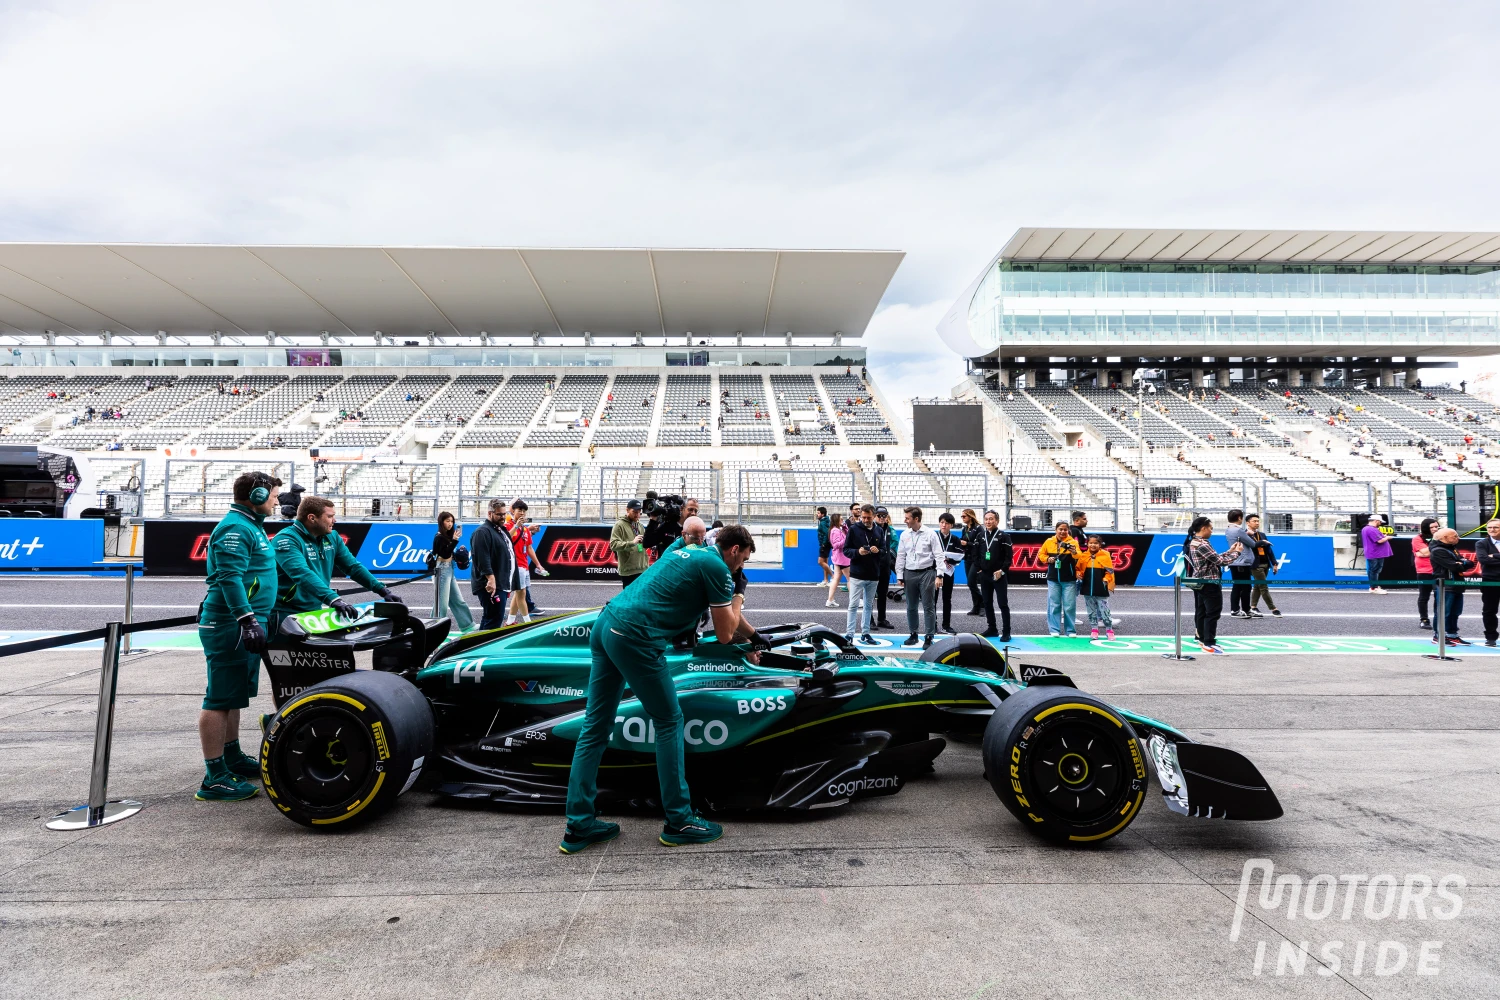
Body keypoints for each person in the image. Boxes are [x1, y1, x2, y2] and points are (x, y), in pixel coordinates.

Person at [560, 525, 764, 854]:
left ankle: (578, 823)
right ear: (735, 549)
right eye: (743, 561)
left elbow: (732, 620)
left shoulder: (685, 552)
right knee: (669, 721)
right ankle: (679, 820)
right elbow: (725, 633)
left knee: (595, 728)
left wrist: (755, 636)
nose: (741, 568)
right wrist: (738, 592)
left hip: (606, 625)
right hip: (635, 638)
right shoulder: (717, 567)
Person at [195, 471, 281, 802]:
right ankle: (214, 776)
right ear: (257, 496)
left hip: (243, 622)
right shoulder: (236, 527)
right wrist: (247, 620)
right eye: (273, 495)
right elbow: (230, 579)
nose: (276, 501)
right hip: (231, 624)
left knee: (233, 694)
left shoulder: (250, 526)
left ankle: (231, 757)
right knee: (219, 697)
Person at [271, 495, 403, 635]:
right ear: (312, 518)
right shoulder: (286, 539)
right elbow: (302, 574)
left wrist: (383, 590)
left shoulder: (332, 536)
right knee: (280, 657)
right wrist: (333, 599)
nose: (334, 520)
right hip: (284, 613)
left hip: (313, 612)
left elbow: (352, 567)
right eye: (329, 516)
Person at [1183, 516, 1243, 655]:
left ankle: (1202, 638)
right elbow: (1220, 561)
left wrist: (1230, 551)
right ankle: (1209, 642)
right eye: (1210, 528)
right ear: (1203, 528)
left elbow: (1212, 559)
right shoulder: (1203, 544)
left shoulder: (1196, 542)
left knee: (1202, 610)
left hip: (1201, 582)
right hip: (1210, 582)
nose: (1211, 531)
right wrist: (1237, 553)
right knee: (1213, 612)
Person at [895, 506, 943, 648]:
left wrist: (939, 575)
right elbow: (901, 555)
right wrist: (899, 575)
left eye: (907, 518)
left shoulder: (930, 534)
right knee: (911, 606)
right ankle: (913, 634)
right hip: (909, 573)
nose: (905, 521)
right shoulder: (904, 534)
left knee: (928, 606)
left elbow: (939, 555)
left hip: (927, 573)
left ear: (916, 519)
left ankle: (929, 636)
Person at [470, 499, 516, 630]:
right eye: (499, 514)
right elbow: (481, 558)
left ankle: (477, 647)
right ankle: (482, 649)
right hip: (491, 584)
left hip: (500, 582)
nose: (503, 517)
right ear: (490, 514)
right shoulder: (482, 532)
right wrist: (491, 579)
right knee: (494, 620)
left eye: (504, 514)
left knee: (490, 618)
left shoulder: (499, 530)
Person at [842, 504, 882, 643]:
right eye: (863, 517)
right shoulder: (853, 529)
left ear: (874, 516)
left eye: (868, 517)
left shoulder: (879, 530)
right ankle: (850, 634)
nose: (865, 520)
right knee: (853, 604)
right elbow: (846, 550)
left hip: (873, 574)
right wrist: (857, 552)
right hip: (857, 574)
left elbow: (884, 550)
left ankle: (865, 633)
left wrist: (878, 551)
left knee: (868, 605)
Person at [1428, 527, 1473, 644]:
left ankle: (1452, 634)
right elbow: (1454, 566)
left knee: (1455, 612)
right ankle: (1438, 636)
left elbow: (1469, 563)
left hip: (1457, 584)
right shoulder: (1438, 550)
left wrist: (1462, 562)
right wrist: (1461, 563)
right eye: (1455, 536)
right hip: (1445, 585)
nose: (1458, 538)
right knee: (1443, 612)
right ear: (1444, 538)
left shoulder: (1452, 548)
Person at [972, 510, 1012, 640]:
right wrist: (979, 569)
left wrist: (1002, 570)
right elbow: (975, 554)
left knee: (1002, 603)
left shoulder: (1004, 536)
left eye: (991, 519)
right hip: (985, 575)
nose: (988, 522)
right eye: (986, 519)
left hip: (999, 575)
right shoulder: (980, 536)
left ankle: (1006, 631)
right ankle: (992, 629)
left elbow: (1008, 557)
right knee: (987, 602)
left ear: (997, 521)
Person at [431, 511, 474, 632]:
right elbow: (444, 554)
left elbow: (449, 553)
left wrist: (458, 551)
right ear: (441, 522)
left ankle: (467, 625)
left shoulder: (447, 536)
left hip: (449, 568)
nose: (450, 524)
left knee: (457, 600)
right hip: (441, 570)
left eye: (452, 521)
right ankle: (434, 628)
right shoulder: (438, 537)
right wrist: (455, 541)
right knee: (441, 604)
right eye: (447, 521)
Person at [1038, 521, 1082, 637]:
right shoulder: (1049, 541)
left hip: (1069, 579)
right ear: (1056, 530)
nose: (1062, 532)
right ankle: (1054, 629)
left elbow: (1079, 556)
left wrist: (1073, 551)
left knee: (1069, 605)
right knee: (1054, 604)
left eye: (1065, 530)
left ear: (1068, 531)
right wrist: (1048, 559)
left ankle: (1070, 630)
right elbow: (1041, 555)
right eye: (1060, 529)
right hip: (1053, 579)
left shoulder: (1072, 542)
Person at [1076, 535, 1115, 640]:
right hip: (1087, 588)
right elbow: (1078, 568)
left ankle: (1109, 630)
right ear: (1087, 544)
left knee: (1105, 610)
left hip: (1101, 588)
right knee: (1091, 611)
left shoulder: (1105, 555)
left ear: (1100, 544)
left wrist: (1106, 579)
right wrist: (1078, 573)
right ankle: (1094, 629)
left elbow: (1109, 571)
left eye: (1095, 543)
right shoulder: (1084, 556)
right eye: (1090, 543)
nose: (1093, 545)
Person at [935, 512, 966, 634]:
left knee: (947, 599)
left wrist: (949, 559)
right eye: (942, 522)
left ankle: (946, 625)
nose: (944, 525)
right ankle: (933, 624)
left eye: (947, 523)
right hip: (935, 572)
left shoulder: (955, 539)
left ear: (951, 525)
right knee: (933, 599)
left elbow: (960, 555)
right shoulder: (934, 537)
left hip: (948, 571)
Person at [1245, 513, 1280, 618]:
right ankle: (1273, 609)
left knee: (1257, 586)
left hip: (1265, 564)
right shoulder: (1245, 534)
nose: (1257, 523)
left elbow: (1269, 550)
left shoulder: (1262, 534)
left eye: (1258, 521)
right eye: (1254, 521)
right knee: (1263, 587)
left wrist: (1274, 563)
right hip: (1255, 565)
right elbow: (1252, 545)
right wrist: (1262, 542)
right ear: (1248, 523)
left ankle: (1253, 606)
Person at [1224, 509, 1256, 618]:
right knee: (1245, 587)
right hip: (1242, 562)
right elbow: (1252, 544)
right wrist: (1251, 534)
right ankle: (1242, 609)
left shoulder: (1229, 529)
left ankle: (1238, 609)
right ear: (1239, 518)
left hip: (1235, 561)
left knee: (1237, 586)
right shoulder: (1238, 530)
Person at [610, 499, 649, 589]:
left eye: (639, 512)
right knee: (629, 599)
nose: (637, 515)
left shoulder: (640, 525)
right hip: (628, 570)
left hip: (642, 568)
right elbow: (613, 545)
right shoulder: (619, 525)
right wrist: (632, 542)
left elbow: (641, 546)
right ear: (627, 510)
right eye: (634, 512)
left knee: (640, 597)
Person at [873, 507, 898, 629]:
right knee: (870, 595)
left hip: (885, 566)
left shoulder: (889, 529)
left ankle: (881, 619)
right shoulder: (870, 528)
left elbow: (892, 545)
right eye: (879, 515)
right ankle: (869, 620)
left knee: (883, 594)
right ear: (874, 516)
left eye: (884, 515)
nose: (882, 518)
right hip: (872, 566)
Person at [1413, 517, 1440, 630]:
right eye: (1432, 527)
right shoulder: (1417, 539)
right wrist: (1436, 549)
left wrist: (1426, 553)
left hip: (1438, 570)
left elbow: (1425, 553)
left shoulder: (1441, 536)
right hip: (1423, 571)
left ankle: (1438, 619)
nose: (1435, 529)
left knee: (1439, 596)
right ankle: (1424, 620)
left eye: (1436, 526)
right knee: (1424, 596)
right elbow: (1423, 552)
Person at [1476, 519, 1500, 646]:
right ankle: (1491, 637)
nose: (1492, 530)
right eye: (1489, 527)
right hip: (1490, 581)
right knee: (1489, 610)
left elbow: (1490, 559)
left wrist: (1494, 556)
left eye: (1495, 527)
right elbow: (1484, 560)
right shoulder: (1482, 543)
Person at [1361, 515, 1393, 593]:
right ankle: (1374, 588)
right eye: (1380, 521)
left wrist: (1384, 537)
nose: (1380, 523)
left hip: (1374, 553)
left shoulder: (1366, 529)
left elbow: (1377, 539)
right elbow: (1379, 541)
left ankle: (1373, 586)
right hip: (1375, 553)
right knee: (1375, 570)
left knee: (1373, 570)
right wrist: (1387, 537)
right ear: (1376, 521)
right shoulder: (1371, 529)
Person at [959, 509, 982, 614]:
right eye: (962, 516)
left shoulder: (978, 528)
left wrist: (966, 544)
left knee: (971, 582)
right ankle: (976, 607)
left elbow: (980, 544)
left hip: (976, 558)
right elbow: (962, 541)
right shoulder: (965, 529)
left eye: (964, 516)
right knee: (971, 584)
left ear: (970, 516)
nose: (962, 518)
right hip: (967, 558)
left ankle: (983, 605)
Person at [825, 513, 847, 608]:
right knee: (851, 579)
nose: (843, 520)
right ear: (836, 520)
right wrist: (846, 539)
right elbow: (836, 545)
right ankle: (856, 601)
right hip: (842, 558)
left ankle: (830, 600)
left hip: (840, 558)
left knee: (836, 579)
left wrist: (845, 529)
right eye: (841, 519)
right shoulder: (836, 531)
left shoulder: (837, 530)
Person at [815, 506, 832, 586]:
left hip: (825, 544)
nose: (817, 514)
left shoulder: (823, 523)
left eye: (818, 513)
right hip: (827, 544)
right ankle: (825, 580)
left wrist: (824, 543)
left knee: (820, 562)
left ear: (822, 514)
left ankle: (833, 577)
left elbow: (826, 533)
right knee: (825, 562)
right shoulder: (826, 521)